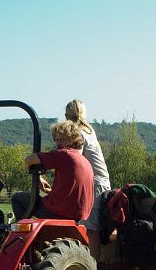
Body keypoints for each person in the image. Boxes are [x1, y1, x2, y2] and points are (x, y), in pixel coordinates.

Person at [11, 120, 94, 222]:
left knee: (18, 198)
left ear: (73, 139)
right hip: (77, 214)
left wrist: (37, 176)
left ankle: (22, 232)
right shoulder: (83, 160)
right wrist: (49, 191)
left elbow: (29, 160)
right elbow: (72, 193)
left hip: (59, 212)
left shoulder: (64, 154)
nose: (58, 144)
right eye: (57, 139)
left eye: (62, 139)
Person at [65, 99, 111, 259]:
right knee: (89, 228)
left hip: (94, 184)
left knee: (90, 230)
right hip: (99, 182)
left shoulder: (78, 133)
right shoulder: (89, 131)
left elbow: (74, 159)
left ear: (66, 116)